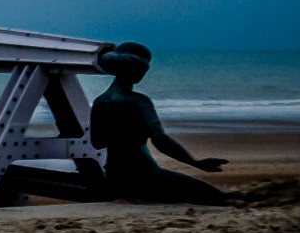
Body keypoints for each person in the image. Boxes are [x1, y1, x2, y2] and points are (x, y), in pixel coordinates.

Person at [89, 42, 227, 205]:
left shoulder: (99, 102)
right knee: (214, 196)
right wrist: (194, 162)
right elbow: (160, 141)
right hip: (145, 174)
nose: (143, 73)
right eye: (143, 69)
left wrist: (117, 134)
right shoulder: (139, 101)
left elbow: (97, 143)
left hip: (116, 178)